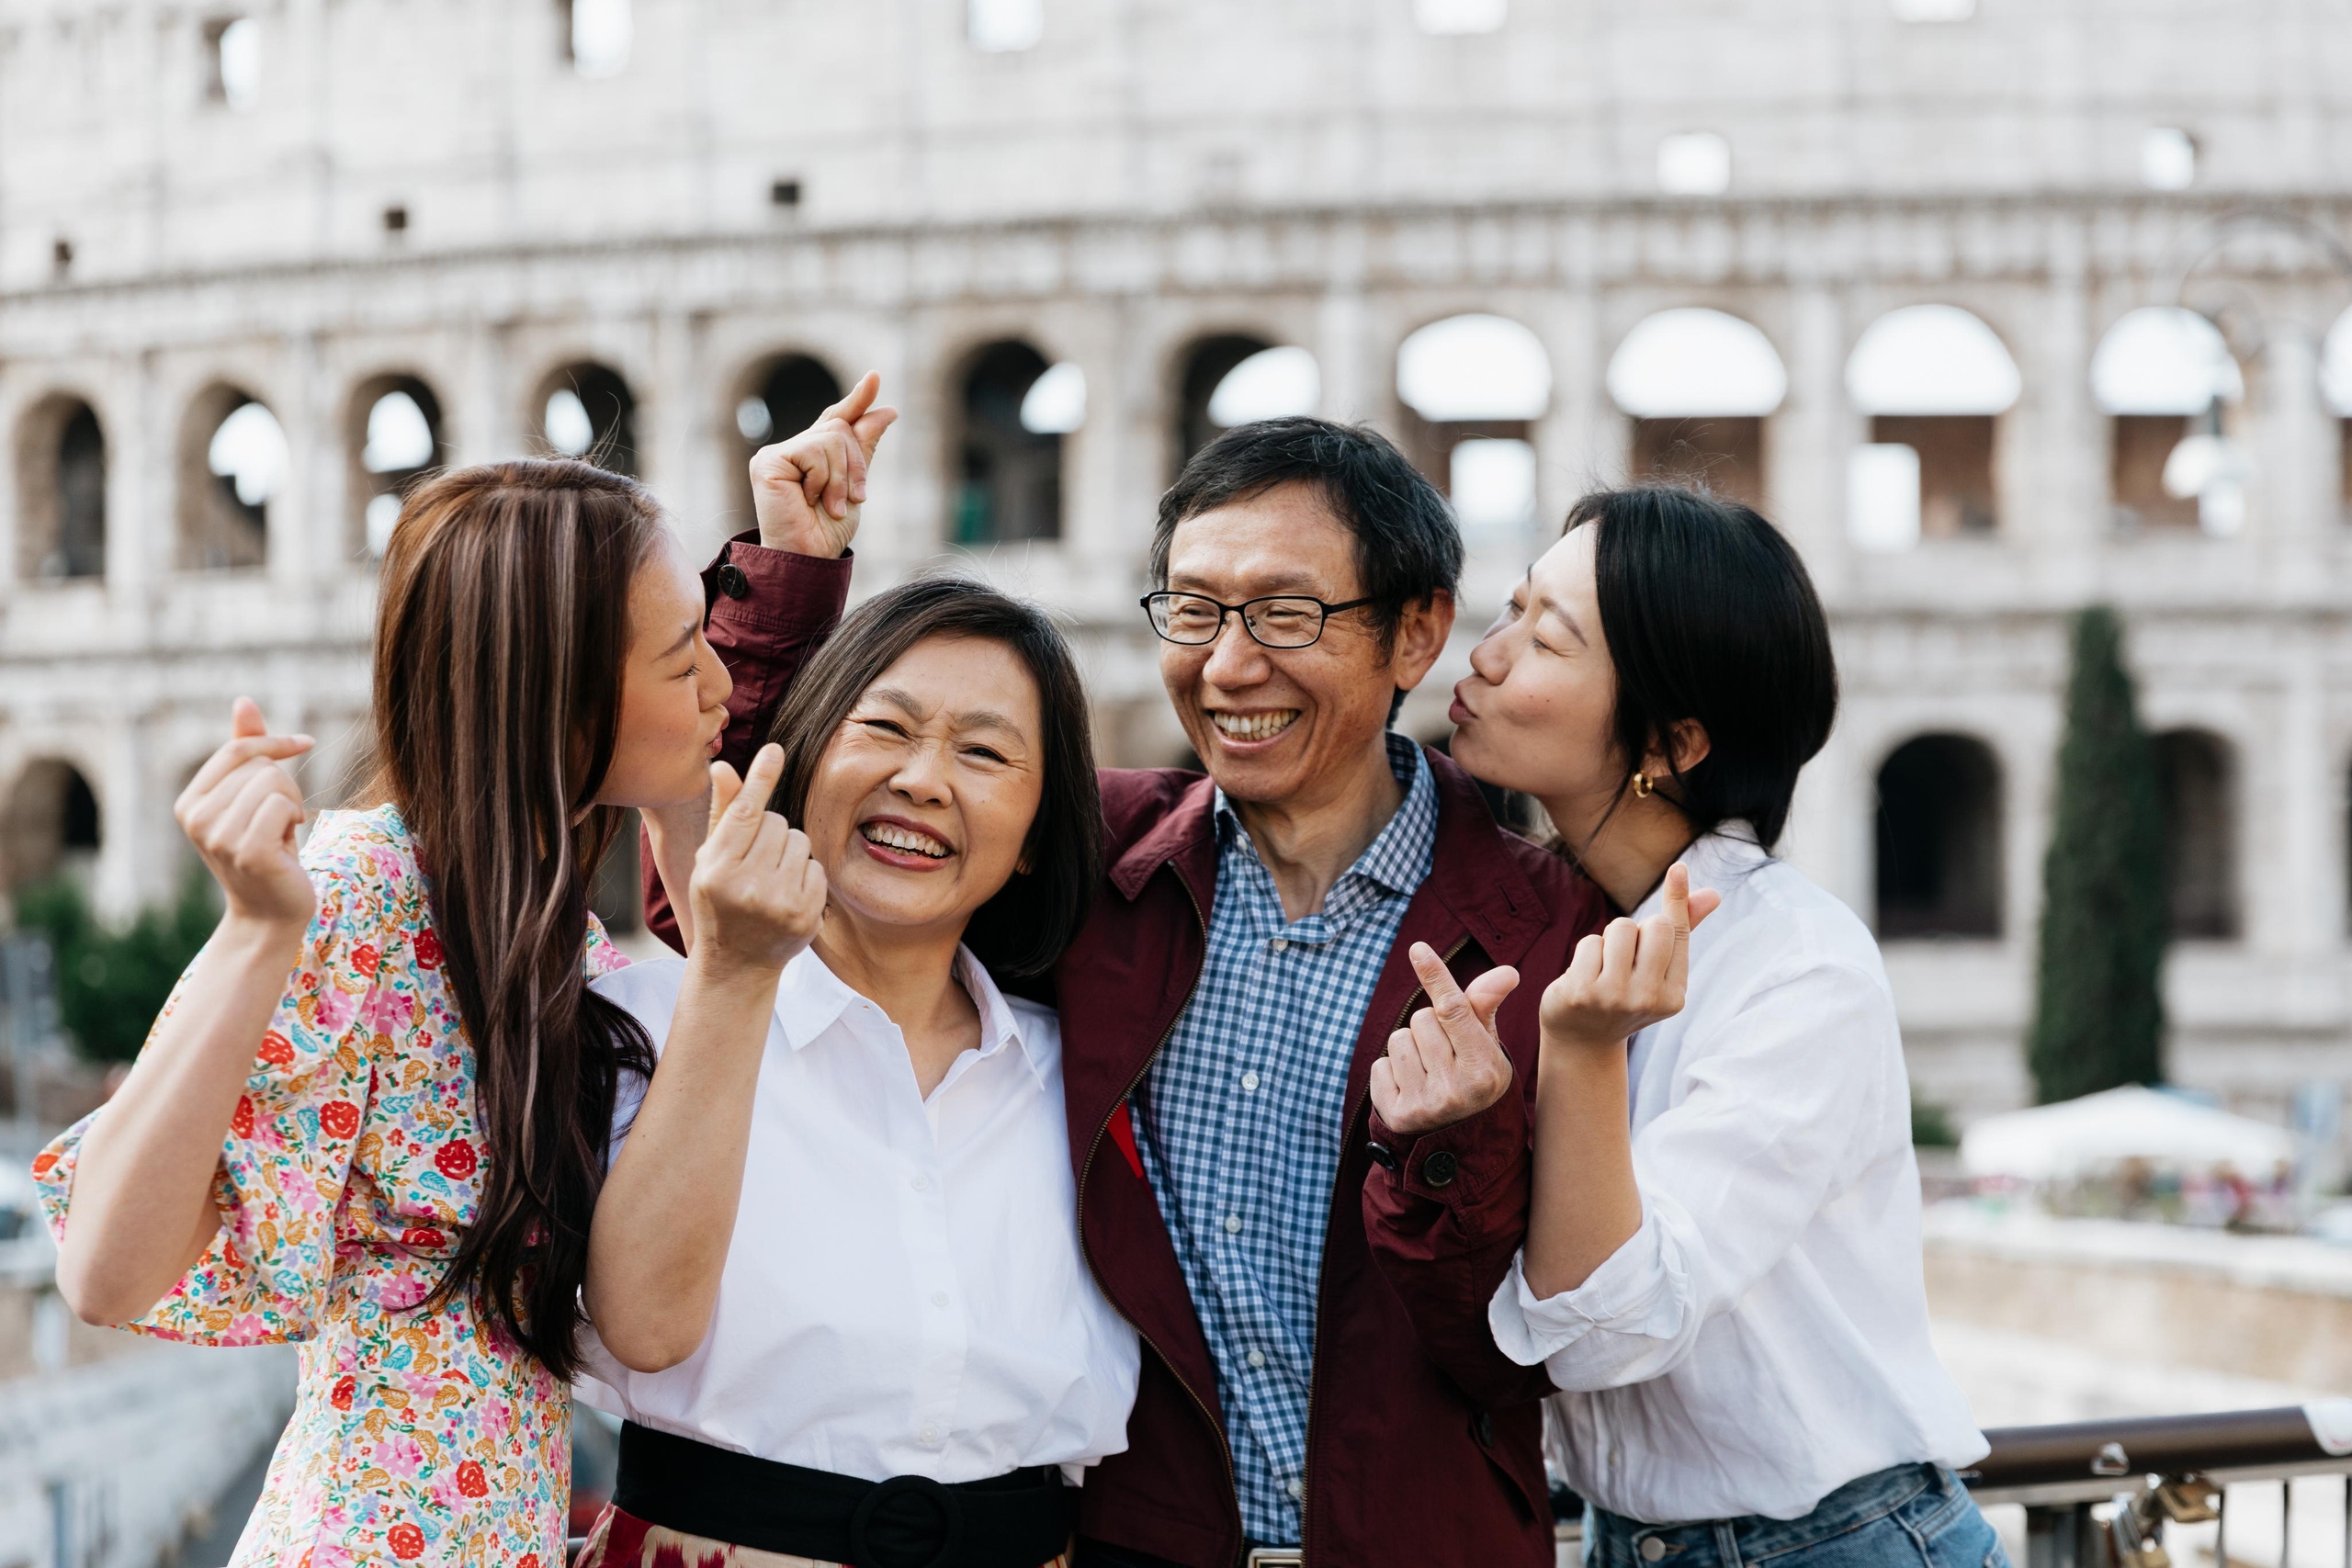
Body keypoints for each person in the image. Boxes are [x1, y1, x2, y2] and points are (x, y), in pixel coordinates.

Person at [650, 415, 1614, 1566]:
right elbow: (761, 895)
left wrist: (1450, 1152)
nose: (1229, 664)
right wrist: (791, 579)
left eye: (1287, 614)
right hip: (1139, 1542)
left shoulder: (1557, 935)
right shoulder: (1094, 860)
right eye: (1195, 611)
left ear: (1416, 634)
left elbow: (1558, 1341)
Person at [28, 452, 859, 1566]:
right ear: (556, 693)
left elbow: (747, 1022)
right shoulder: (362, 884)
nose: (717, 683)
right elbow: (106, 1272)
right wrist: (254, 933)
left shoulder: (541, 919)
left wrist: (786, 576)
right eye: (683, 657)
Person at [1365, 485, 2003, 1568]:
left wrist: (1580, 1053)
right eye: (1510, 608)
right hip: (1641, 1543)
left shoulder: (1795, 965)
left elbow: (1614, 1325)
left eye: (1544, 636)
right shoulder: (1547, 928)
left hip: (1831, 1543)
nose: (1486, 653)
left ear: (1670, 740)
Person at [573, 576, 1140, 1568]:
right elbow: (641, 1327)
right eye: (885, 728)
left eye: (982, 752)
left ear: (1035, 840)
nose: (924, 780)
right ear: (801, 764)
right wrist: (736, 974)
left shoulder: (1088, 1078)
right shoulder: (637, 1028)